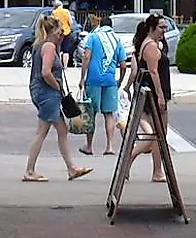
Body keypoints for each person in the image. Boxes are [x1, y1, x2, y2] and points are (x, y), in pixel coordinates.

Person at [21, 16, 92, 183]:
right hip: (47, 93)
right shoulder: (49, 47)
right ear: (52, 32)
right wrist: (57, 86)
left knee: (62, 129)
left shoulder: (40, 45)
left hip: (42, 92)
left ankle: (71, 168)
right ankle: (30, 170)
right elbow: (46, 72)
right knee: (42, 131)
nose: (62, 36)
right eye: (60, 33)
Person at [121, 12, 174, 185]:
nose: (164, 30)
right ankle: (130, 159)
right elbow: (153, 71)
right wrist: (159, 95)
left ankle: (157, 171)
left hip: (155, 93)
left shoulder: (151, 44)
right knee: (156, 135)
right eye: (161, 27)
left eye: (165, 27)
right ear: (152, 28)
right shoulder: (150, 46)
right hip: (154, 94)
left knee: (160, 135)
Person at [79, 13, 129, 156]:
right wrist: (120, 80)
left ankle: (89, 146)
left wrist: (82, 77)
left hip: (93, 80)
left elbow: (86, 56)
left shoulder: (93, 37)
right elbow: (123, 65)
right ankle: (110, 146)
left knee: (91, 113)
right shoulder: (116, 40)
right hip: (110, 81)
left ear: (100, 25)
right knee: (109, 114)